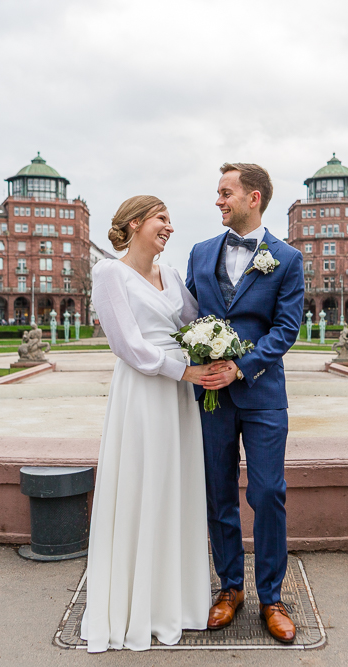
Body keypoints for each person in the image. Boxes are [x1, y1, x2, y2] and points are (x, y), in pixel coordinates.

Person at [81, 195, 216, 652]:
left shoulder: (172, 275)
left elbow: (197, 322)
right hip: (143, 392)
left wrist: (218, 346)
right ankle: (135, 606)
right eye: (162, 218)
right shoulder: (109, 273)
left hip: (178, 396)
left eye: (171, 220)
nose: (169, 227)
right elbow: (127, 346)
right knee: (142, 484)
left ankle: (175, 601)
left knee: (175, 487)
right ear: (135, 223)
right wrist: (185, 371)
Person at [186, 163, 305, 643]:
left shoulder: (287, 259)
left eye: (225, 192)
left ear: (253, 198)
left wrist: (241, 366)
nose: (218, 200)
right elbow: (185, 313)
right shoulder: (199, 253)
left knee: (268, 493)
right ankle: (230, 588)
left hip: (262, 395)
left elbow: (286, 329)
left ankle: (272, 597)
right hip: (210, 397)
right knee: (218, 493)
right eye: (218, 193)